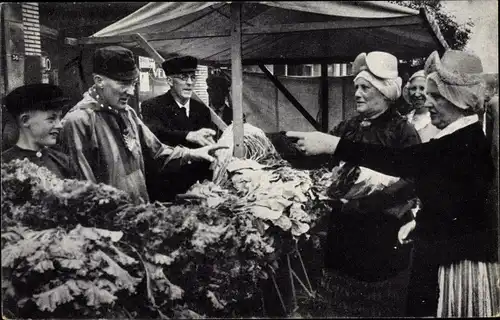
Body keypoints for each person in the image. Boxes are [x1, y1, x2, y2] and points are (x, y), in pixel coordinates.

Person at [287, 49, 499, 317]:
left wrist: (333, 145)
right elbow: (453, 199)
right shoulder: (459, 137)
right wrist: (419, 223)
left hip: (456, 263)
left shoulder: (462, 141)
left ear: (456, 98)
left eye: (435, 96)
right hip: (444, 251)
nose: (426, 101)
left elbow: (402, 162)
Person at [60, 46, 225, 204]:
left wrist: (193, 154)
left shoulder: (128, 114)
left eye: (133, 83)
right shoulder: (79, 121)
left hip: (137, 214)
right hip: (110, 225)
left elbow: (157, 152)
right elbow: (82, 192)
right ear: (99, 81)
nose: (131, 91)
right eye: (124, 83)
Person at [141, 56, 218, 201]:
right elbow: (155, 133)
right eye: (183, 78)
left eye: (192, 77)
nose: (189, 83)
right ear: (170, 81)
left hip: (197, 190)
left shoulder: (202, 110)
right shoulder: (152, 106)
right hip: (166, 190)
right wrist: (188, 135)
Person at [2, 84, 78, 179]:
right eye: (51, 118)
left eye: (60, 118)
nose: (59, 125)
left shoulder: (64, 162)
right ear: (25, 120)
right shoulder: (5, 166)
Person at [403, 70, 441, 142]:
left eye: (422, 88)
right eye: (413, 88)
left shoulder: (438, 120)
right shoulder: (405, 119)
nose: (417, 94)